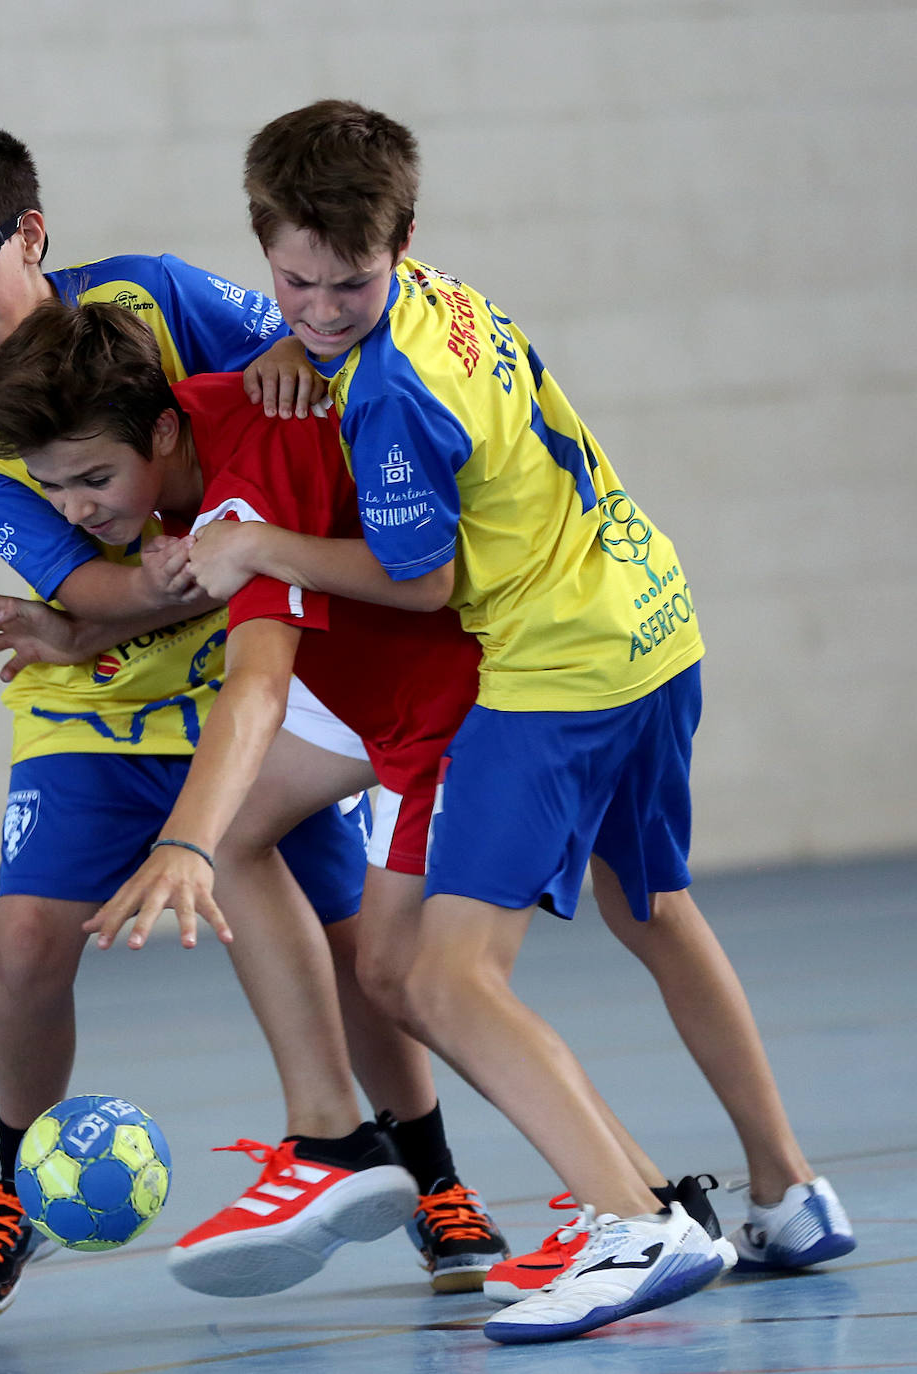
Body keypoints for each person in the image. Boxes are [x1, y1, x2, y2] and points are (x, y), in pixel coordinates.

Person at [119, 99, 850, 1342]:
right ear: (267, 248)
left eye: (349, 285)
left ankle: (633, 1225)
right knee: (653, 908)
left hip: (555, 671)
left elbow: (426, 581)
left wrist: (256, 546)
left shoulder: (395, 393)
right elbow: (336, 347)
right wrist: (292, 355)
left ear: (398, 236)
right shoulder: (432, 299)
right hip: (653, 616)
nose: (324, 309)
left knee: (435, 974)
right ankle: (786, 1191)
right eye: (297, 285)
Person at [0, 297, 752, 1342]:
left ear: (158, 433)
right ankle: (347, 1136)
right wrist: (93, 618)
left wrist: (180, 845)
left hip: (450, 716)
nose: (72, 509)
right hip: (376, 700)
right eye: (50, 487)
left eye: (93, 480)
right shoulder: (206, 416)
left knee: (423, 977)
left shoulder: (240, 477)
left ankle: (634, 1219)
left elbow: (252, 687)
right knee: (295, 871)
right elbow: (224, 540)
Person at [0, 115, 503, 1320]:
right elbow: (89, 579)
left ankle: (429, 1177)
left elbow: (301, 363)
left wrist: (288, 376)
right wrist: (101, 613)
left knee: (361, 956)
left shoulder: (153, 300)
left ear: (30, 234)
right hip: (90, 718)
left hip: (253, 677)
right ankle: (18, 1187)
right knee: (25, 952)